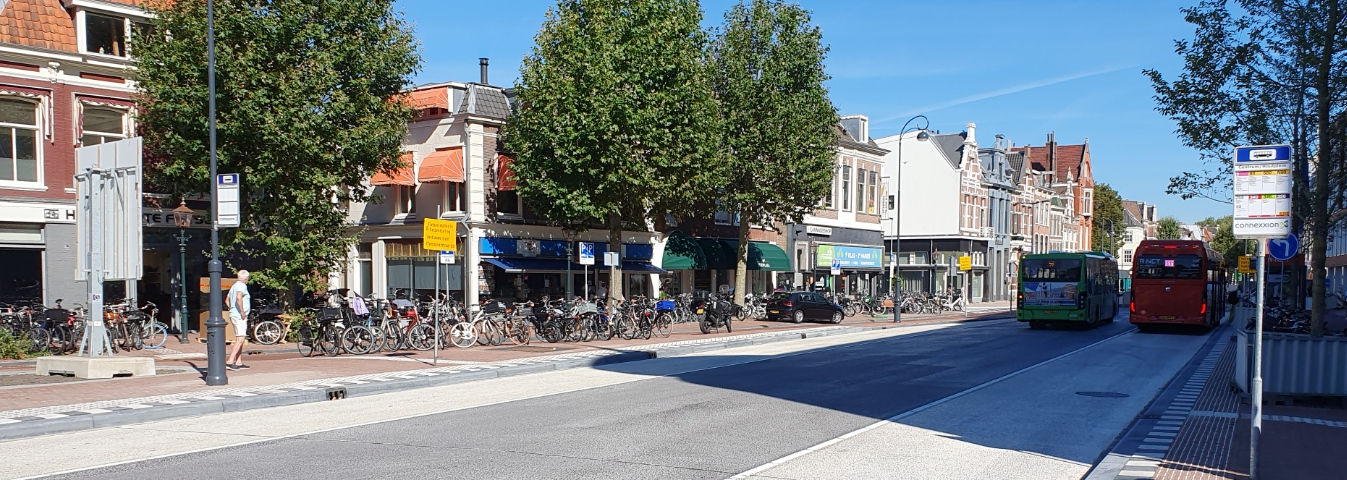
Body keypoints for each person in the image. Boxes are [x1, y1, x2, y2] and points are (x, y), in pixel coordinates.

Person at [225, 270, 251, 370]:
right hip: (239, 316)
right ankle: (230, 361)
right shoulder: (242, 286)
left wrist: (231, 308)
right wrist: (241, 311)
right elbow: (238, 297)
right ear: (246, 278)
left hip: (235, 314)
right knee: (241, 339)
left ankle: (238, 361)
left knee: (240, 338)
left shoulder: (234, 286)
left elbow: (227, 300)